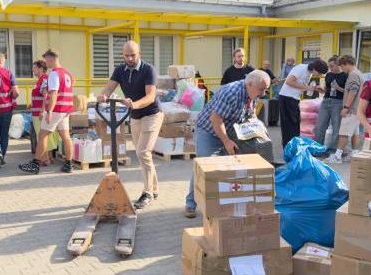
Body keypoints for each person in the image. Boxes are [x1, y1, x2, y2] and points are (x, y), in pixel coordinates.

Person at [184, 70, 271, 218]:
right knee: (205, 166)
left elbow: (251, 114)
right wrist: (226, 141)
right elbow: (216, 119)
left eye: (265, 89)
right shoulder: (231, 93)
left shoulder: (252, 93)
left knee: (229, 167)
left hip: (230, 129)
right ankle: (191, 204)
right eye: (261, 89)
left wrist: (257, 130)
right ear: (249, 84)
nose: (263, 93)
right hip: (209, 131)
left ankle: (222, 202)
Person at [99, 41, 164, 210]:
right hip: (135, 116)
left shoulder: (148, 70)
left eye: (133, 55)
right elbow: (109, 87)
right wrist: (104, 96)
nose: (129, 58)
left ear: (139, 54)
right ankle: (155, 188)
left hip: (152, 113)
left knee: (143, 152)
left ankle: (147, 192)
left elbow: (150, 96)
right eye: (126, 55)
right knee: (142, 153)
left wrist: (134, 104)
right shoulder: (120, 70)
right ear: (123, 55)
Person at [19, 49, 74, 174]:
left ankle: (35, 164)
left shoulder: (54, 74)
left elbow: (53, 93)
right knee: (66, 137)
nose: (46, 63)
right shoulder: (67, 74)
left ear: (51, 58)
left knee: (42, 135)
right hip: (66, 110)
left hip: (56, 110)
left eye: (46, 60)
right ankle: (69, 164)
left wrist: (49, 111)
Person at [278, 59, 329, 147]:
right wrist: (310, 88)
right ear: (315, 68)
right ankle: (289, 146)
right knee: (289, 125)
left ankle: (293, 145)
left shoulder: (309, 73)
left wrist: (314, 88)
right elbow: (289, 81)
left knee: (295, 123)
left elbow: (302, 86)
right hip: (287, 97)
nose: (319, 75)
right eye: (320, 73)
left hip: (294, 98)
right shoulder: (301, 68)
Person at [327, 55, 363, 164]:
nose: (342, 70)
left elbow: (353, 91)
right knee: (355, 132)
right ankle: (354, 153)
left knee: (343, 132)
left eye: (342, 67)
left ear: (346, 64)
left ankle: (337, 156)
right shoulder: (359, 73)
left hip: (351, 109)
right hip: (358, 108)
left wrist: (346, 107)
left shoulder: (352, 75)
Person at [29, 60, 60, 165]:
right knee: (46, 135)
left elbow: (46, 95)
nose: (32, 70)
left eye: (34, 68)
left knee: (41, 135)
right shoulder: (42, 80)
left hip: (39, 113)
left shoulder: (44, 79)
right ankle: (49, 157)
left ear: (41, 69)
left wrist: (42, 110)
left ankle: (45, 159)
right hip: (37, 110)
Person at [314, 56, 347, 150]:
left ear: (338, 65)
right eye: (329, 66)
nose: (330, 68)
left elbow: (349, 92)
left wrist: (338, 88)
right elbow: (326, 88)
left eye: (332, 66)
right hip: (326, 101)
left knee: (337, 128)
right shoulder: (329, 75)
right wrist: (321, 89)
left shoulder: (345, 75)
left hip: (338, 103)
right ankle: (317, 149)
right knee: (320, 126)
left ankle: (333, 151)